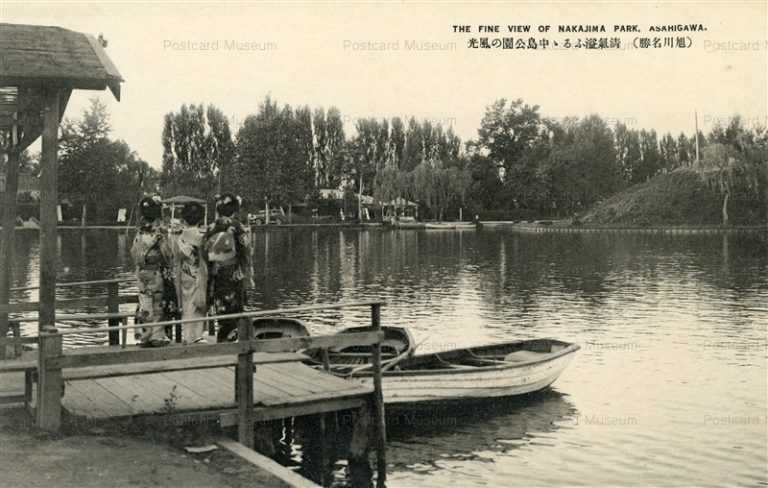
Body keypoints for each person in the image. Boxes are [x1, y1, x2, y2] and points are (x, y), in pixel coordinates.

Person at [205, 194, 253, 341]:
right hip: (233, 273)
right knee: (235, 309)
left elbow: (204, 252)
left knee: (222, 309)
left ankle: (222, 338)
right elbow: (245, 250)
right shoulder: (237, 226)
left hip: (216, 273)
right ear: (234, 209)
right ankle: (231, 340)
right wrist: (247, 273)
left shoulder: (211, 227)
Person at [130, 195, 176, 347]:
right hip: (156, 272)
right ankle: (157, 336)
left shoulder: (139, 232)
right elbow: (168, 254)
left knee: (145, 304)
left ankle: (145, 336)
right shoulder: (160, 232)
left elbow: (133, 253)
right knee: (158, 305)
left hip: (142, 273)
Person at [173, 201, 209, 344]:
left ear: (184, 219)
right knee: (199, 303)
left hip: (185, 272)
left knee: (187, 304)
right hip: (199, 272)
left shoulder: (180, 237)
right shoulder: (201, 236)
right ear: (200, 218)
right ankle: (197, 335)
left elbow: (176, 258)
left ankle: (188, 335)